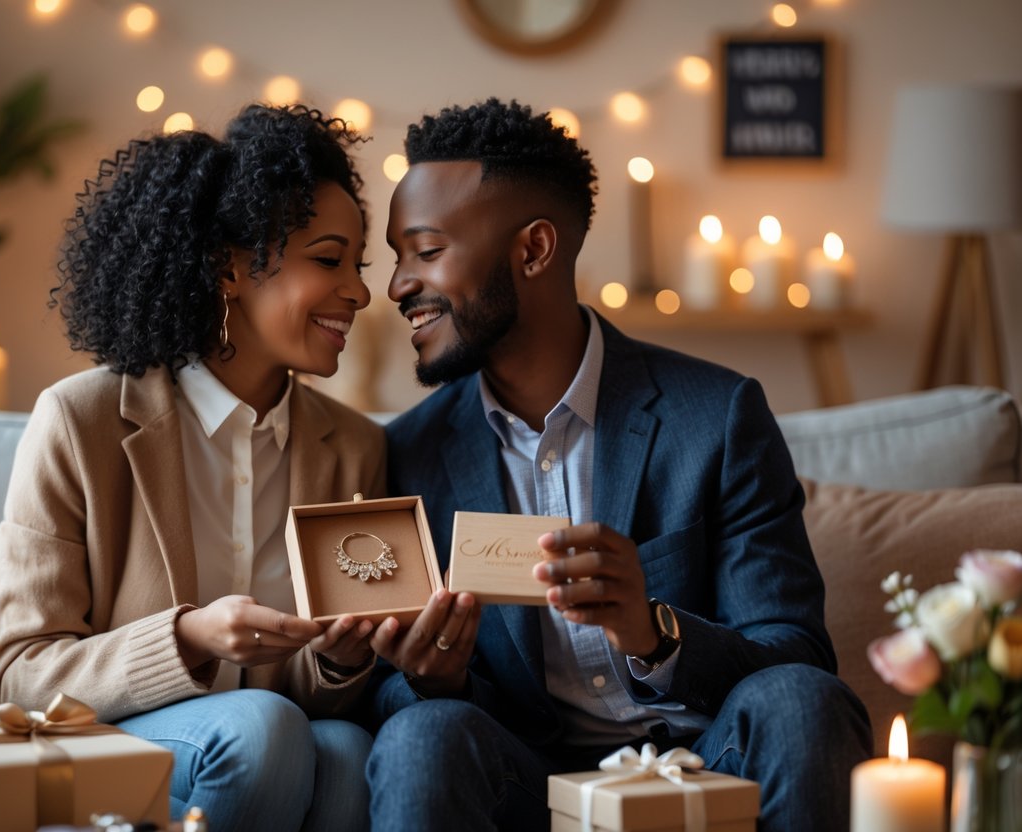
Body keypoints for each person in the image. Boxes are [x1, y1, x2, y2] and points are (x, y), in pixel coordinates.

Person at [364, 98, 872, 831]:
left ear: (532, 250)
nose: (398, 286)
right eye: (396, 256)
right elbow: (377, 699)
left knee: (800, 701)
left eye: (426, 250)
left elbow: (793, 652)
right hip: (522, 784)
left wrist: (653, 632)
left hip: (702, 767)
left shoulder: (717, 416)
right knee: (420, 733)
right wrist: (429, 678)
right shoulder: (408, 451)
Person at [0, 104, 384, 831]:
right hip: (108, 735)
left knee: (347, 751)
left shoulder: (353, 448)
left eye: (359, 265)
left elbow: (312, 694)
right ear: (229, 268)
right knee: (261, 728)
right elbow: (21, 671)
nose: (358, 291)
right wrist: (190, 636)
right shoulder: (81, 420)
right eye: (328, 259)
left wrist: (336, 660)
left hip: (270, 745)